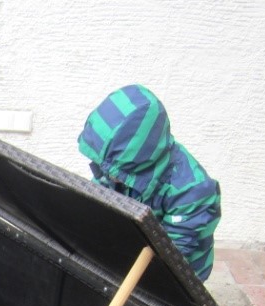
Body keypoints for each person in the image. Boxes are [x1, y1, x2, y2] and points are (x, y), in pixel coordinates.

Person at [77, 84, 220, 281]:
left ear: (141, 163)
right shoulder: (115, 167)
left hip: (181, 276)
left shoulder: (192, 190)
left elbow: (172, 258)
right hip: (134, 250)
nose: (107, 175)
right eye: (104, 166)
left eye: (114, 170)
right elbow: (98, 206)